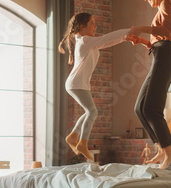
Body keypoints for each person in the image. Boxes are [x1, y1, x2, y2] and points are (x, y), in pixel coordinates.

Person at [59, 13, 145, 160]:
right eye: (92, 23)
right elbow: (105, 39)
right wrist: (129, 30)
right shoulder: (85, 40)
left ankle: (73, 136)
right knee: (92, 112)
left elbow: (106, 42)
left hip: (78, 83)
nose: (95, 26)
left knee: (89, 112)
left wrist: (124, 38)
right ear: (82, 26)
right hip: (76, 83)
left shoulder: (86, 41)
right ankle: (82, 143)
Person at [128, 0, 171, 169]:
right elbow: (160, 39)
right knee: (140, 107)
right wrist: (143, 41)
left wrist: (140, 29)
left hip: (166, 56)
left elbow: (167, 32)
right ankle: (161, 150)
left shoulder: (166, 5)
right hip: (161, 53)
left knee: (152, 108)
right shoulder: (164, 6)